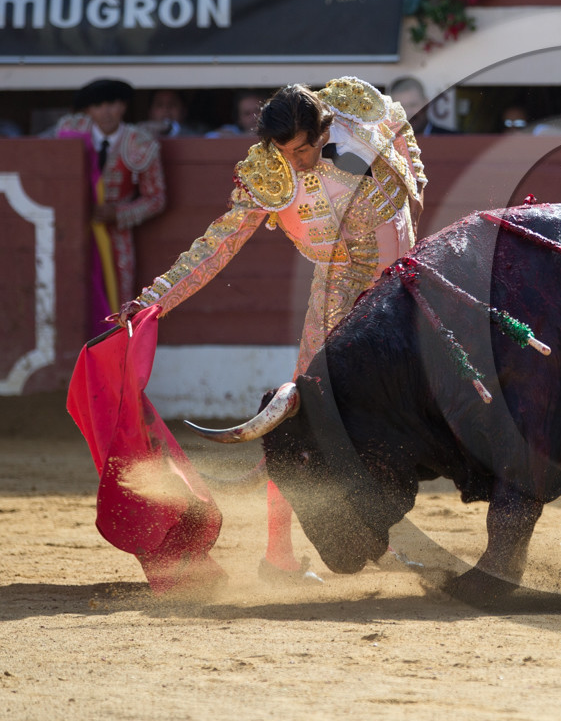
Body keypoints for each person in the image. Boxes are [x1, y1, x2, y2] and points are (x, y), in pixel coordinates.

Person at [119, 77, 428, 584]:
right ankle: (279, 558)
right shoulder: (269, 171)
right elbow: (217, 244)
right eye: (286, 152)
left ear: (323, 128)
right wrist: (154, 300)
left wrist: (415, 186)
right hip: (339, 283)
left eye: (304, 149)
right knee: (294, 419)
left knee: (396, 416)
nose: (298, 162)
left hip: (402, 282)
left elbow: (401, 127)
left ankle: (383, 541)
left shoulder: (358, 109)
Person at [54, 78, 167, 338]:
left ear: (123, 107)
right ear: (87, 111)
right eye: (98, 106)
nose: (106, 112)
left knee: (117, 298)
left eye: (113, 104)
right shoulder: (69, 132)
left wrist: (119, 214)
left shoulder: (140, 142)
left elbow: (157, 198)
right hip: (71, 231)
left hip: (116, 236)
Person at [389, 76, 457, 135]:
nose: (408, 112)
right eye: (401, 107)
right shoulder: (383, 145)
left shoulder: (453, 140)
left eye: (413, 105)